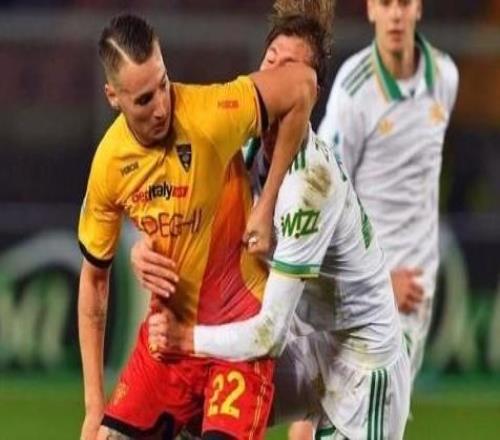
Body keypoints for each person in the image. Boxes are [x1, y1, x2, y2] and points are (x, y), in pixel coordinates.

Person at [136, 2, 412, 438]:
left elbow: (268, 335)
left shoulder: (309, 186)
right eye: (271, 62)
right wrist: (144, 246)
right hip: (314, 346)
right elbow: (182, 208)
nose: (276, 78)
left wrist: (184, 337)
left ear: (309, 94)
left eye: (291, 69)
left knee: (202, 356)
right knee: (190, 404)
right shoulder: (244, 146)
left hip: (363, 367)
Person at [77, 13, 317, 440]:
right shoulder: (109, 164)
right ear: (113, 96)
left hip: (237, 341)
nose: (161, 107)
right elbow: (94, 281)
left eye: (163, 85)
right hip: (167, 343)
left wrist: (265, 204)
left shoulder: (211, 113)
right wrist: (95, 405)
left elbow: (303, 84)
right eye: (144, 99)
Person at [318, 0, 459, 384]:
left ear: (419, 9)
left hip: (419, 287)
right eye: (385, 3)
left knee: (366, 408)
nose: (395, 14)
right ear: (370, 10)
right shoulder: (354, 89)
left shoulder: (445, 76)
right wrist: (378, 283)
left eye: (404, 3)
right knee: (357, 407)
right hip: (370, 287)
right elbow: (325, 195)